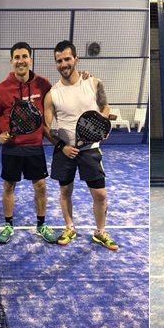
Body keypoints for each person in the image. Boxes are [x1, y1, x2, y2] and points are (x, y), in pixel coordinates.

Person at [42, 40, 118, 251]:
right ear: (55, 63)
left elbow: (105, 108)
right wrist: (62, 147)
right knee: (65, 190)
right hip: (65, 151)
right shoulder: (52, 94)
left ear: (76, 59)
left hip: (90, 149)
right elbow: (46, 128)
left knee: (100, 195)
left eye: (67, 59)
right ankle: (69, 227)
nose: (64, 64)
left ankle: (100, 232)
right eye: (59, 61)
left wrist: (102, 126)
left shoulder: (93, 83)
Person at [0, 42, 55, 244]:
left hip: (34, 146)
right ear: (11, 61)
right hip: (11, 148)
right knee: (9, 186)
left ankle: (41, 224)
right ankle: (8, 224)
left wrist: (84, 78)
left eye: (24, 56)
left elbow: (61, 94)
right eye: (17, 57)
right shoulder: (1, 90)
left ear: (30, 59)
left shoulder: (43, 84)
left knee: (40, 186)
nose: (21, 61)